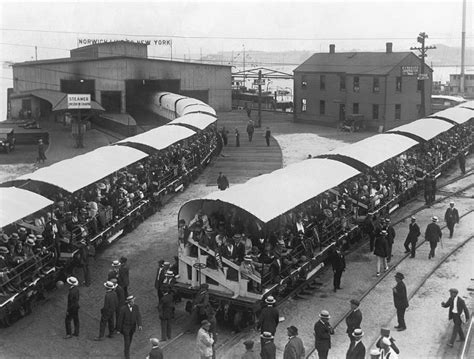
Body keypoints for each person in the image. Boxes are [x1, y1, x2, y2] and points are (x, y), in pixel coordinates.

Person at [117, 295, 142, 359]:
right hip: (126, 328)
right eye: (132, 302)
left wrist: (139, 325)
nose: (133, 303)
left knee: (130, 340)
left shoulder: (136, 307)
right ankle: (127, 355)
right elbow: (120, 319)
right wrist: (119, 329)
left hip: (132, 327)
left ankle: (126, 350)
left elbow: (138, 316)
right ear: (129, 302)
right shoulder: (123, 309)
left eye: (133, 301)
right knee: (127, 341)